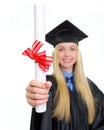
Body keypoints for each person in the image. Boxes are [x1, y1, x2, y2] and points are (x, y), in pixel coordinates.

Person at [25, 20, 104, 130]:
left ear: (77, 53)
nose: (67, 54)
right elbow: (42, 121)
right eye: (61, 49)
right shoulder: (48, 84)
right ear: (55, 54)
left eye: (72, 49)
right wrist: (36, 98)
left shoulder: (89, 86)